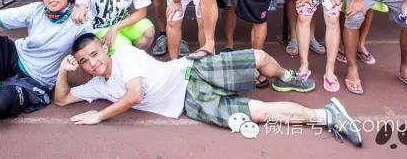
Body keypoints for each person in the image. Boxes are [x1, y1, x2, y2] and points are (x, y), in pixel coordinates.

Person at [53, 34, 362, 148]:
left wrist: (100, 116)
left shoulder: (124, 56)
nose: (92, 63)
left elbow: (134, 95)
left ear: (103, 48)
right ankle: (327, 115)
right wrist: (63, 71)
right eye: (84, 61)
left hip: (191, 71)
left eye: (94, 54)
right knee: (257, 113)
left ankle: (284, 76)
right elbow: (62, 99)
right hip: (191, 102)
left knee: (258, 58)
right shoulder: (97, 85)